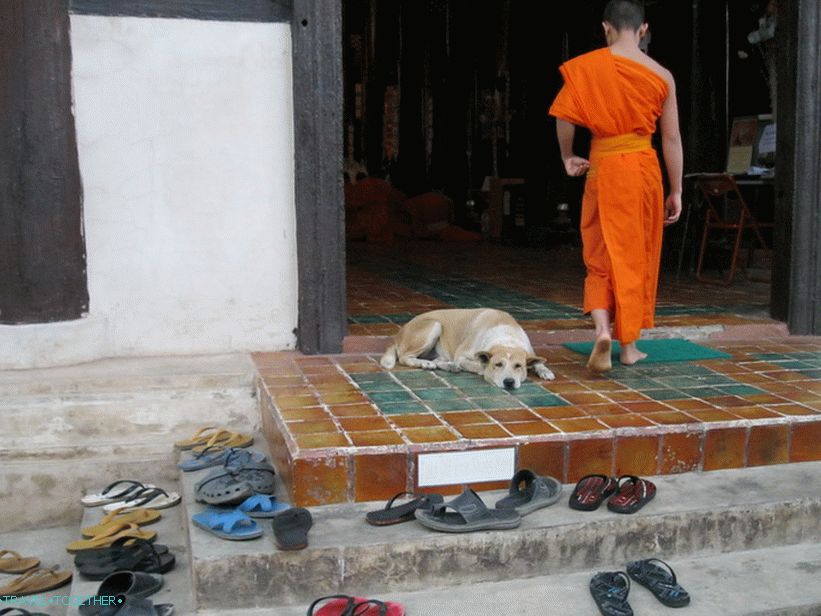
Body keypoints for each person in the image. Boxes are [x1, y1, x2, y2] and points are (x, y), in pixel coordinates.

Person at [549, 0, 683, 372]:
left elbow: (563, 115)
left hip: (602, 167)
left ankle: (603, 329)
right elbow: (671, 139)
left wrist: (567, 156)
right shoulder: (661, 75)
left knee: (599, 250)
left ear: (606, 27)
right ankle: (629, 347)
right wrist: (677, 190)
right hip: (642, 170)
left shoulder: (589, 67)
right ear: (643, 30)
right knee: (634, 254)